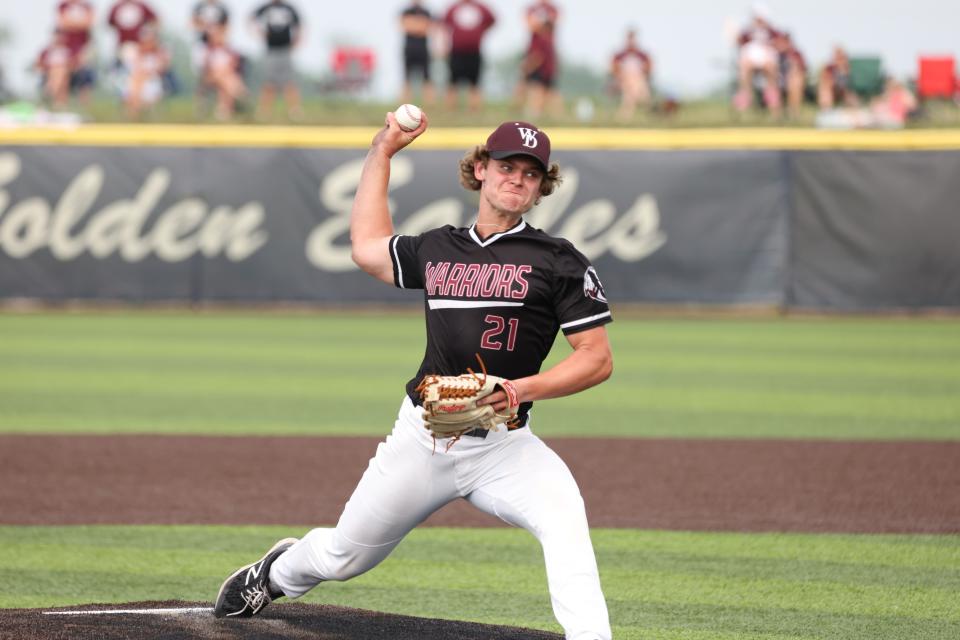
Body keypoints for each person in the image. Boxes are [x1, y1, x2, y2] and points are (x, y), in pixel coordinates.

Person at [213, 114, 615, 640]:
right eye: (505, 166)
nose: (516, 179)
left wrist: (520, 390)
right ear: (480, 169)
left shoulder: (558, 262)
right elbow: (366, 247)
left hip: (505, 446)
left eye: (530, 173)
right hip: (424, 438)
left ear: (542, 187)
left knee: (566, 526)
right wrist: (382, 153)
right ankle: (275, 573)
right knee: (344, 557)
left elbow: (596, 358)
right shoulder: (440, 247)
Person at [249, 0, 303, 120]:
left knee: (288, 81)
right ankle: (264, 111)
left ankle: (294, 111)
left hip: (285, 49)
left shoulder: (289, 8)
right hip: (271, 49)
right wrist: (259, 33)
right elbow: (251, 19)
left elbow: (299, 25)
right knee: (269, 82)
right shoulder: (265, 8)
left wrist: (297, 41)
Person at [442, 0, 496, 111]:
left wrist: (480, 31)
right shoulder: (454, 8)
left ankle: (474, 109)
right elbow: (444, 24)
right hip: (456, 51)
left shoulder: (481, 8)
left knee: (475, 82)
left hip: (474, 51)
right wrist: (443, 44)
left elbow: (492, 21)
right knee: (453, 81)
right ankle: (450, 109)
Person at [732, 2, 781, 116]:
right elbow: (739, 42)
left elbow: (779, 44)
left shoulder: (772, 31)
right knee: (744, 68)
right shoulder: (748, 31)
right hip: (750, 58)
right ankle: (745, 98)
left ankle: (773, 103)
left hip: (767, 58)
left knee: (770, 70)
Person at [519, 0, 561, 119]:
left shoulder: (542, 38)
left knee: (539, 89)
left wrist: (528, 66)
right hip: (544, 65)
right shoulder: (539, 37)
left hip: (542, 67)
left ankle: (537, 112)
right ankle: (550, 114)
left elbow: (538, 57)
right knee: (547, 90)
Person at [122, 22, 170, 119]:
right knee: (135, 83)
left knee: (137, 84)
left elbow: (162, 69)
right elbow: (134, 69)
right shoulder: (133, 51)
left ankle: (134, 116)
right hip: (135, 83)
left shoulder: (160, 53)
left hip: (153, 84)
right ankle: (134, 116)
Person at [55, 0, 96, 105]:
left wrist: (72, 23)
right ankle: (60, 103)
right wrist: (80, 23)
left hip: (84, 45)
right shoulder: (63, 5)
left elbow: (90, 22)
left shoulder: (87, 6)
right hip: (66, 47)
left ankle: (84, 104)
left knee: (84, 76)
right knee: (63, 74)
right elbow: (62, 23)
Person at [202, 23, 246, 120]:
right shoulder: (210, 51)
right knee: (227, 82)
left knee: (226, 83)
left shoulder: (229, 50)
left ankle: (224, 109)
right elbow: (207, 68)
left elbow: (235, 65)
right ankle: (228, 107)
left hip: (226, 75)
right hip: (213, 77)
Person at [609, 27, 653, 121]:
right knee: (632, 87)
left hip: (638, 81)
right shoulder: (620, 55)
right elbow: (614, 69)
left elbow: (648, 68)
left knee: (636, 88)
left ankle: (626, 114)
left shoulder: (641, 55)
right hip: (625, 82)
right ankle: (629, 113)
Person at [399, 0, 436, 105]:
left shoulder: (426, 12)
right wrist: (418, 25)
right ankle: (404, 104)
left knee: (427, 77)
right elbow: (404, 26)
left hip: (423, 48)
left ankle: (429, 104)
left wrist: (414, 25)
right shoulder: (406, 11)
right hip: (409, 48)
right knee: (406, 77)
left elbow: (427, 28)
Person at [106, 0, 158, 70]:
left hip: (139, 47)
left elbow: (154, 20)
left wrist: (148, 34)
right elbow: (110, 23)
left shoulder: (141, 6)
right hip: (123, 46)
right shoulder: (117, 7)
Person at [34, 29, 77, 108]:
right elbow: (38, 64)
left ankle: (49, 92)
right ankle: (58, 101)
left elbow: (74, 64)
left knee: (60, 72)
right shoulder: (47, 51)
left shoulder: (69, 51)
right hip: (50, 73)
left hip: (66, 73)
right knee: (57, 72)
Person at [772, 31, 806, 120]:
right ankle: (776, 115)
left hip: (790, 81)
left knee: (795, 82)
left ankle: (794, 112)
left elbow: (802, 69)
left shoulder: (795, 54)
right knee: (773, 85)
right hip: (776, 80)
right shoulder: (774, 54)